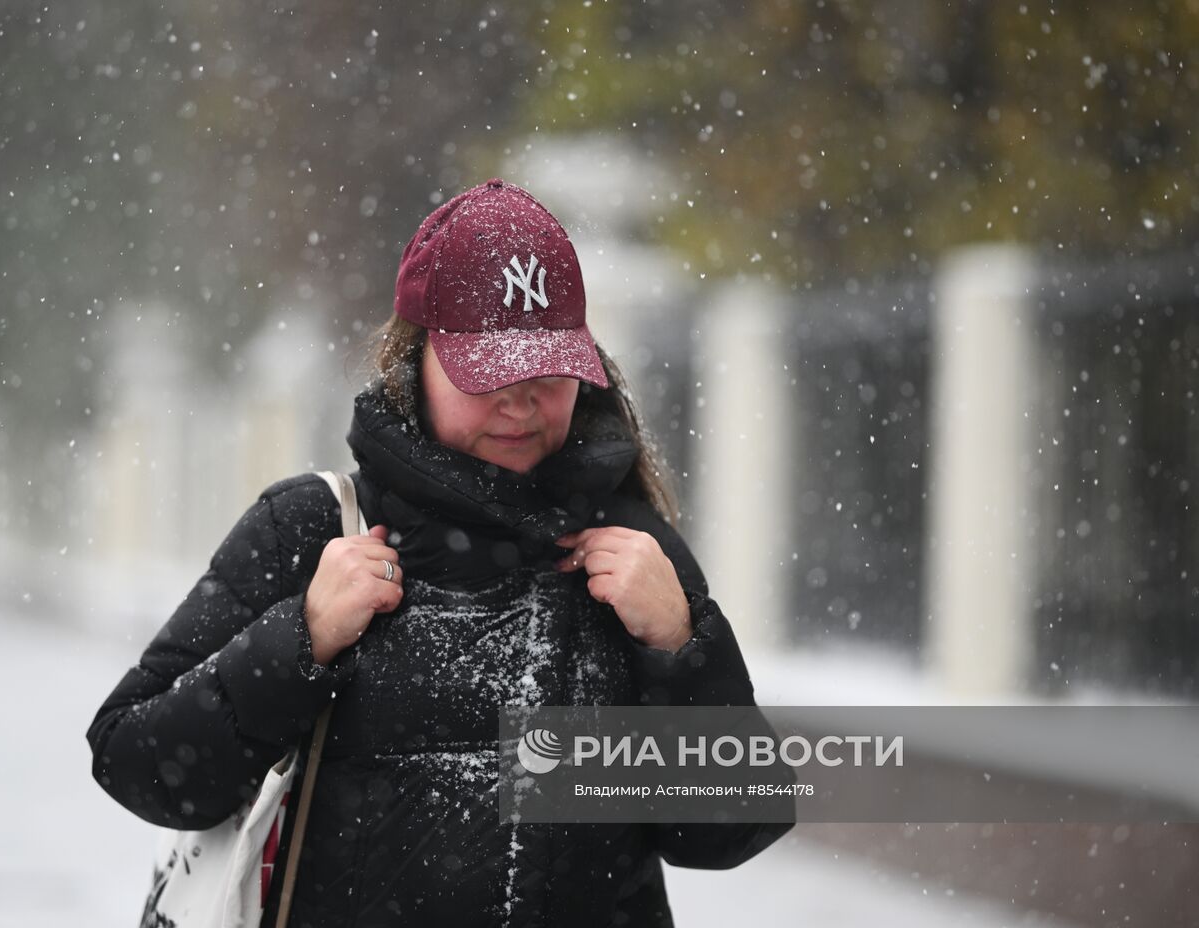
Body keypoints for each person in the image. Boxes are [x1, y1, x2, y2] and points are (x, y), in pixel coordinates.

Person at [87, 177, 794, 927]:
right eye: (488, 372)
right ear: (414, 359)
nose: (520, 402)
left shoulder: (633, 557)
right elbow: (135, 761)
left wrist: (679, 647)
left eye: (548, 373)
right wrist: (302, 639)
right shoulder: (311, 532)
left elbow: (727, 832)